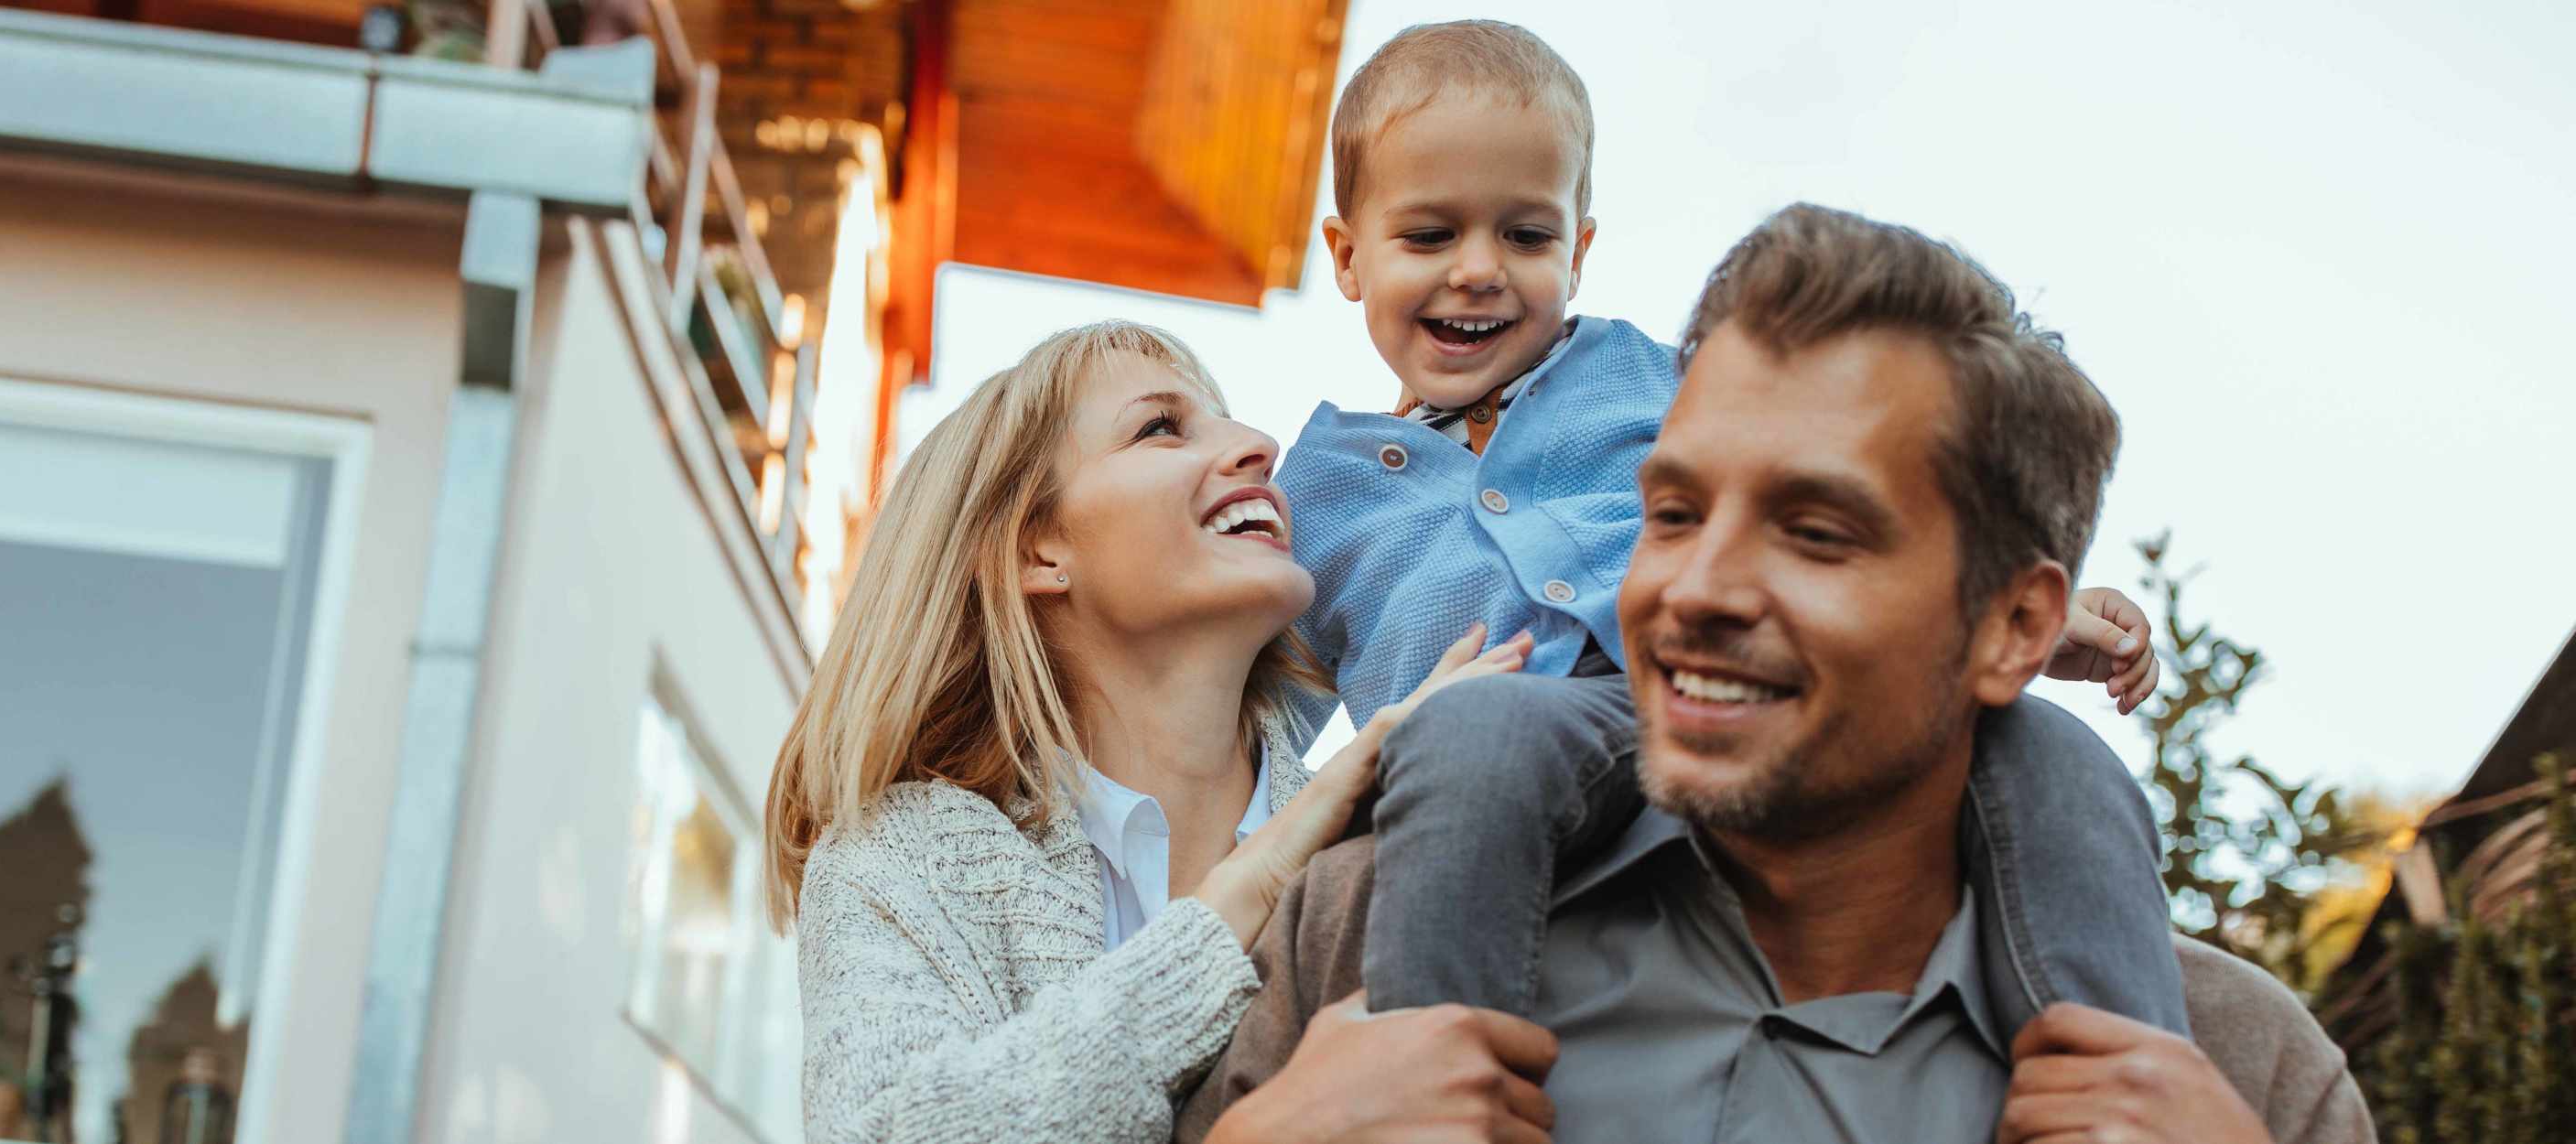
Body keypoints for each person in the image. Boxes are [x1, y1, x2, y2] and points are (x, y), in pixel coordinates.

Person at [1177, 203, 2376, 1144]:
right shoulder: (1358, 951)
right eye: (1673, 511)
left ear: (2015, 626)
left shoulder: (2230, 1068)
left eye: (1816, 532)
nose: (1693, 589)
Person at [1276, 19, 2188, 1037]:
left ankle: (2120, 1055)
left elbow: (1847, 487)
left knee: (2047, 752)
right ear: (1349, 257)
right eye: (1431, 235)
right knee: (1470, 737)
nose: (1481, 269)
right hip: (1497, 764)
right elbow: (1262, 720)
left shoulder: (1643, 374)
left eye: (1526, 236)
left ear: (1577, 250)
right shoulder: (1317, 497)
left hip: (1729, 695)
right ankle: (1430, 1054)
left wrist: (2001, 613)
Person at [761, 321, 1526, 1144]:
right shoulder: (900, 859)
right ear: (1037, 547)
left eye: (1230, 421)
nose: (1260, 446)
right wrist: (1249, 898)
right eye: (1160, 428)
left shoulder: (1391, 826)